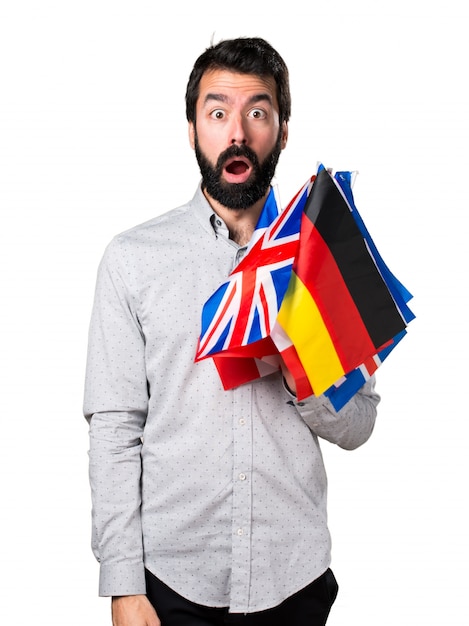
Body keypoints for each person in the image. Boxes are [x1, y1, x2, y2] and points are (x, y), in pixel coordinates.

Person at [84, 37, 380, 626]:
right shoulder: (133, 259)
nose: (237, 132)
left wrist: (299, 364)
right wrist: (122, 582)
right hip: (170, 586)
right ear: (193, 130)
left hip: (293, 581)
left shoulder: (329, 250)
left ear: (283, 130)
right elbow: (116, 430)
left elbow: (360, 425)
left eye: (258, 112)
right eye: (217, 113)